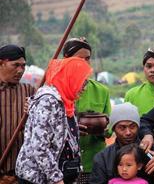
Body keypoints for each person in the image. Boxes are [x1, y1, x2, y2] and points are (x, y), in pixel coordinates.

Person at [15, 57, 92, 184]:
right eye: (82, 82)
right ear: (70, 78)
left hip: (58, 173)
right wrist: (56, 178)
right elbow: (40, 146)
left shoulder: (67, 101)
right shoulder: (49, 101)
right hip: (38, 178)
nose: (84, 87)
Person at [62, 37, 111, 183]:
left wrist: (103, 126)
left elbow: (110, 131)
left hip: (94, 163)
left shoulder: (102, 90)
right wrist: (72, 129)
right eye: (79, 59)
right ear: (66, 60)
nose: (84, 64)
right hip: (64, 164)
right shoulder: (55, 91)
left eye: (87, 59)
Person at [89, 102, 154, 184]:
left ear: (138, 127)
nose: (128, 132)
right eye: (122, 128)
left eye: (132, 126)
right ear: (114, 129)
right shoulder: (103, 158)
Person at [0, 45, 35, 182]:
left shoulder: (30, 92)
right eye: (15, 65)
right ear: (1, 63)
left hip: (23, 174)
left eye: (23, 66)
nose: (20, 70)